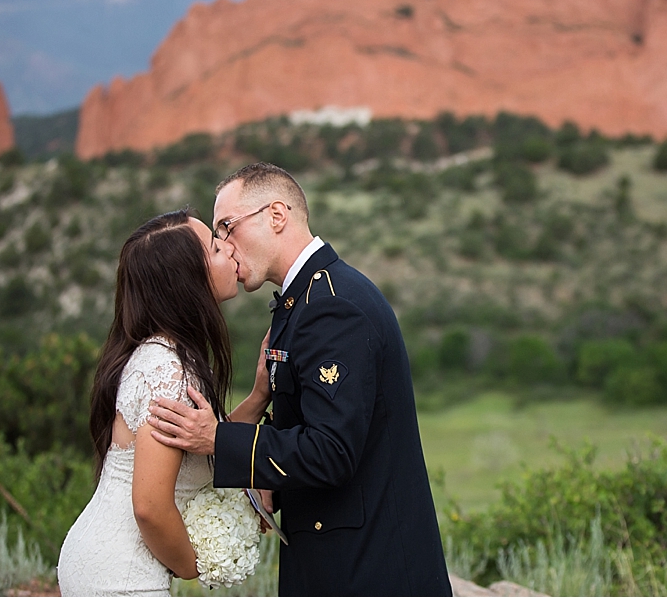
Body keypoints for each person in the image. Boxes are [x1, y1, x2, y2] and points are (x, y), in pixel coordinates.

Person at [148, 163, 452, 596]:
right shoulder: (305, 300)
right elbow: (308, 421)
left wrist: (219, 439)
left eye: (227, 227)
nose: (225, 247)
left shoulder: (332, 306)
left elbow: (331, 451)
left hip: (368, 570)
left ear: (276, 216)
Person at [57, 209, 262, 596]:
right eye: (216, 248)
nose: (230, 250)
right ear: (190, 280)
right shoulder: (170, 372)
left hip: (99, 558)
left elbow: (204, 442)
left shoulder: (157, 353)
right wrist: (192, 565)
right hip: (121, 575)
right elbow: (149, 506)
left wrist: (258, 394)